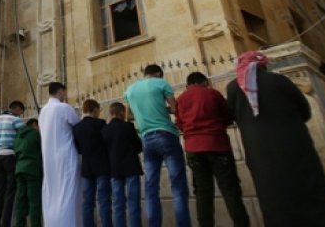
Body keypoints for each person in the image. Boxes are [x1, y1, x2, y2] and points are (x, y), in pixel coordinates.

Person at [227, 51, 325, 226]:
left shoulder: (233, 87)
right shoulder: (278, 80)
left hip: (259, 153)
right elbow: (305, 110)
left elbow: (232, 116)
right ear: (262, 65)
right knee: (311, 196)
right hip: (295, 147)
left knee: (273, 200)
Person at [176, 71, 249, 227]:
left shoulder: (181, 99)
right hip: (217, 144)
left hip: (194, 148)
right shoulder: (212, 93)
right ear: (204, 82)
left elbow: (180, 123)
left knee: (202, 193)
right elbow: (227, 115)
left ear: (188, 85)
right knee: (230, 190)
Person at [125, 64, 191, 227]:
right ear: (157, 74)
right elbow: (176, 108)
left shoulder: (130, 90)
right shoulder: (161, 83)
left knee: (151, 187)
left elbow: (128, 116)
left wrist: (144, 115)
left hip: (146, 138)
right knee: (178, 185)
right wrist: (164, 110)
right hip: (166, 135)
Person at [39, 82, 81, 227]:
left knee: (52, 193)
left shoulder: (43, 111)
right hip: (66, 156)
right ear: (60, 92)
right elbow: (78, 126)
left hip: (48, 158)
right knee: (68, 192)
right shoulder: (64, 107)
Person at [102, 102, 143, 227]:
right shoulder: (128, 127)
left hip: (114, 169)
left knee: (118, 204)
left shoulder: (104, 130)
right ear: (121, 112)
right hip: (131, 167)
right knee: (133, 203)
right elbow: (139, 146)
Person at [73, 99, 112, 227]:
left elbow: (78, 149)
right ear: (95, 109)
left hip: (87, 168)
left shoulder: (77, 128)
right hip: (102, 165)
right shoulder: (100, 123)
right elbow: (107, 142)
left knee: (87, 201)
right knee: (104, 200)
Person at [0, 101, 26, 227]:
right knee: (10, 193)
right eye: (21, 112)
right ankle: (6, 223)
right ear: (17, 109)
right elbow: (24, 136)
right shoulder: (15, 120)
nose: (21, 115)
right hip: (10, 155)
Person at [13, 118, 42, 227]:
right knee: (34, 201)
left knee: (21, 200)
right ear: (34, 124)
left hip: (19, 169)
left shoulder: (18, 136)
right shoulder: (35, 134)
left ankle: (19, 224)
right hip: (32, 170)